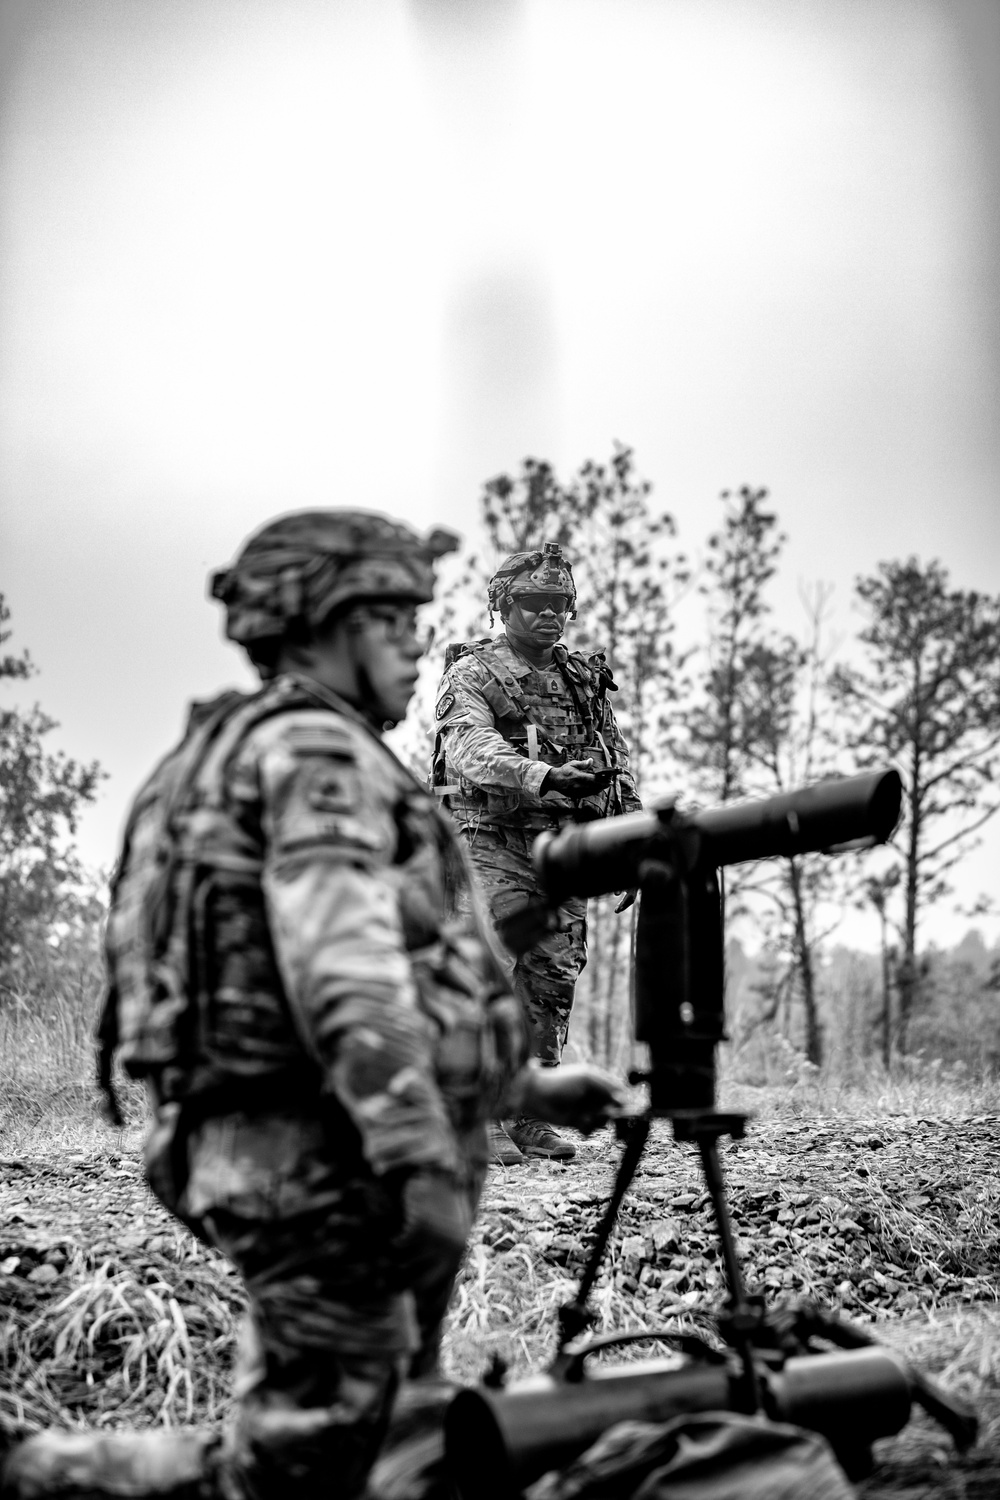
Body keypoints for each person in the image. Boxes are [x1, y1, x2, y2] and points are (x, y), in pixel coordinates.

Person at [1, 511, 623, 1500]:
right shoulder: (316, 756)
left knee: (389, 1438)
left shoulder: (241, 746)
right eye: (390, 617)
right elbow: (344, 975)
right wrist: (417, 1150)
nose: (419, 639)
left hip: (294, 1139)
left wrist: (524, 1084)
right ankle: (58, 1476)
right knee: (319, 1462)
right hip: (321, 1159)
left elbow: (382, 986)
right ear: (319, 625)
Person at [431, 543, 641, 1166]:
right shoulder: (474, 673)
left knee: (551, 978)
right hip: (488, 844)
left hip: (563, 848)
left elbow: (615, 760)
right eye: (534, 602)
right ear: (503, 606)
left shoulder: (583, 681)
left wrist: (627, 841)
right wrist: (543, 778)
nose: (550, 615)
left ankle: (527, 1113)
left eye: (561, 603)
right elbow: (470, 750)